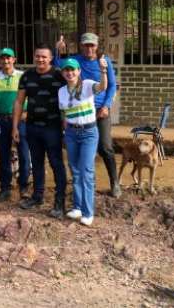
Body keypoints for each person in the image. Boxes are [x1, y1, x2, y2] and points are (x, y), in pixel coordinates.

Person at [56, 33, 120, 197]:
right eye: (86, 45)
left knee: (105, 147)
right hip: (81, 113)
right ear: (81, 46)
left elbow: (112, 86)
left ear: (97, 46)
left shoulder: (104, 63)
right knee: (81, 151)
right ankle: (86, 184)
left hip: (100, 111)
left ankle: (114, 182)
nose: (89, 48)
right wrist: (59, 51)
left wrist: (106, 106)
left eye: (92, 45)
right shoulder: (76, 61)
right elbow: (57, 65)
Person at [12, 44, 68, 219]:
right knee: (36, 163)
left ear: (51, 58)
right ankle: (37, 196)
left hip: (53, 128)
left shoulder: (59, 75)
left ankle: (59, 202)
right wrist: (15, 126)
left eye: (44, 56)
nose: (40, 59)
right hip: (32, 127)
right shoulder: (27, 76)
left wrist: (67, 125)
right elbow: (19, 102)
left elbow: (70, 96)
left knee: (56, 164)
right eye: (37, 56)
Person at [59, 57, 108, 226]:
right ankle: (77, 207)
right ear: (63, 72)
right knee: (75, 170)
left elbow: (102, 87)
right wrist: (65, 133)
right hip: (71, 133)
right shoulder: (62, 91)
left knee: (86, 171)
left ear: (79, 71)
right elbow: (64, 114)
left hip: (88, 132)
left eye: (73, 69)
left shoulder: (87, 85)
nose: (70, 72)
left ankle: (88, 212)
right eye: (66, 70)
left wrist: (103, 70)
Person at [0, 48, 31, 202]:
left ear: (14, 59)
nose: (6, 61)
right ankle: (5, 188)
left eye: (9, 58)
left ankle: (24, 187)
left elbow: (29, 97)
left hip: (21, 119)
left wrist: (27, 113)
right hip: (2, 119)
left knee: (24, 154)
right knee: (3, 155)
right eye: (3, 58)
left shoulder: (22, 76)